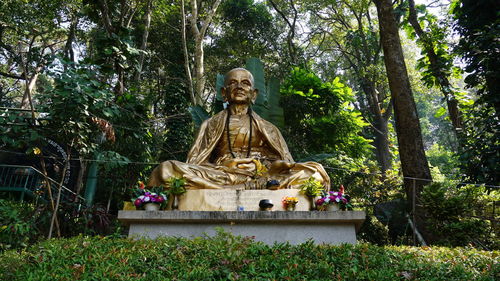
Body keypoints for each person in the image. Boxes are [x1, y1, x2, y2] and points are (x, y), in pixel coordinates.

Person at [148, 68, 330, 190]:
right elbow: (196, 161)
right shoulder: (210, 124)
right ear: (224, 93)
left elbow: (285, 161)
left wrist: (266, 171)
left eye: (245, 83)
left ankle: (247, 188)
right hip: (222, 175)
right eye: (233, 83)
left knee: (315, 173)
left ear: (254, 94)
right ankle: (237, 188)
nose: (240, 87)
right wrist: (225, 165)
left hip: (262, 176)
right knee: (165, 170)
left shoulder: (268, 128)